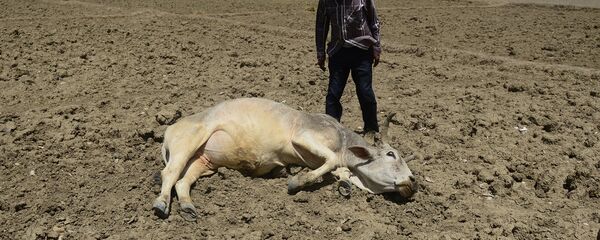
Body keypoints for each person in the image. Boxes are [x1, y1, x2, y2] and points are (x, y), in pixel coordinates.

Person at [315, 0, 381, 134]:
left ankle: (371, 130)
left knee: (365, 92)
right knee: (333, 95)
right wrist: (320, 53)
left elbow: (374, 22)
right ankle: (332, 132)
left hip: (362, 50)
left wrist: (376, 47)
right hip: (338, 51)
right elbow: (321, 26)